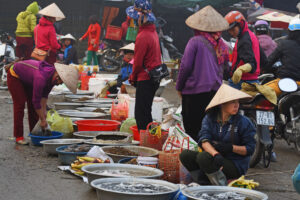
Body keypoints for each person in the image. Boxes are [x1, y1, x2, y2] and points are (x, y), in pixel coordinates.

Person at [180, 84, 256, 185]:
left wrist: (230, 148)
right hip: (215, 158)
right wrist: (216, 154)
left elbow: (250, 149)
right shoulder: (210, 118)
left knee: (204, 157)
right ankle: (202, 179)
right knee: (186, 155)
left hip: (235, 164)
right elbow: (204, 140)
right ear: (222, 104)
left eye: (237, 102)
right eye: (233, 102)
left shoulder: (244, 122)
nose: (236, 105)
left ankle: (218, 184)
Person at [176, 6, 230, 141]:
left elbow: (185, 66)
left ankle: (195, 158)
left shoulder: (195, 42)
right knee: (209, 129)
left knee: (192, 128)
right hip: (215, 92)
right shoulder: (222, 45)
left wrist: (179, 86)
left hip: (195, 93)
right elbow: (226, 69)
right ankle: (208, 155)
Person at [6, 60, 78, 145]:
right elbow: (36, 101)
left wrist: (43, 116)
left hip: (28, 78)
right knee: (20, 104)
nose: (59, 84)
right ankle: (19, 136)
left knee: (33, 108)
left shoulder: (52, 78)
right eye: (60, 82)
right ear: (58, 76)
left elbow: (43, 98)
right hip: (15, 76)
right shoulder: (41, 78)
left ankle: (33, 134)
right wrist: (43, 120)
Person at [127, 0, 161, 130]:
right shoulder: (153, 32)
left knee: (141, 115)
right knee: (146, 111)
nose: (133, 22)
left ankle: (147, 142)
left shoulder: (142, 36)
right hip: (153, 77)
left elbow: (138, 63)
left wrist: (133, 77)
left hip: (145, 78)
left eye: (134, 19)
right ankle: (150, 138)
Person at [225, 11, 263, 90]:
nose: (231, 33)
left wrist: (240, 70)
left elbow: (252, 64)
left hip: (242, 81)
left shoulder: (244, 40)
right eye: (229, 30)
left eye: (233, 29)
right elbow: (264, 59)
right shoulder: (251, 35)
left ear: (241, 24)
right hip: (253, 80)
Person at [264, 17, 300, 96]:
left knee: (261, 92)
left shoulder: (284, 44)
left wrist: (264, 69)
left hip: (284, 82)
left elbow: (269, 61)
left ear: (290, 31)